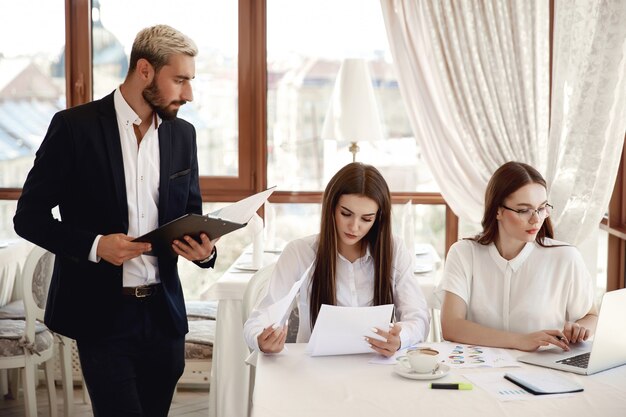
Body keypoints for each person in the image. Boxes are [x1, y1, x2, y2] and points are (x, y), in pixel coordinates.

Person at [13, 25, 217, 417]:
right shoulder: (74, 128)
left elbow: (191, 215)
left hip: (164, 317)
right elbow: (28, 218)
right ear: (144, 70)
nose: (188, 94)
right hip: (102, 317)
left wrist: (205, 252)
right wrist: (96, 246)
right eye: (179, 80)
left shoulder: (183, 135)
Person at [244, 163, 430, 357]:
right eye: (346, 214)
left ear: (378, 219)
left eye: (366, 219)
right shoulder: (299, 252)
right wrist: (261, 338)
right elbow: (259, 319)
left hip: (377, 368)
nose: (354, 226)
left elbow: (418, 318)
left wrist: (401, 338)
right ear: (331, 208)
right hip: (315, 371)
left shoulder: (394, 250)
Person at [437, 161, 598, 352]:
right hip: (476, 372)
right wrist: (519, 340)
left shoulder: (566, 257)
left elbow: (591, 316)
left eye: (541, 208)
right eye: (524, 210)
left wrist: (580, 330)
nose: (536, 219)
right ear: (497, 210)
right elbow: (452, 326)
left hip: (543, 372)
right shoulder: (464, 253)